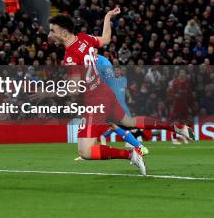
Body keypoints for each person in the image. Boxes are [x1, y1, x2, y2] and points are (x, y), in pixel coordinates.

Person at [47, 9, 193, 175]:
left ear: (64, 32)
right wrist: (107, 18)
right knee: (129, 122)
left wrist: (48, 92)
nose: (49, 34)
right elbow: (106, 39)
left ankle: (130, 154)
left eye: (52, 30)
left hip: (94, 102)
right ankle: (175, 127)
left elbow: (73, 89)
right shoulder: (84, 38)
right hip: (104, 92)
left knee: (85, 151)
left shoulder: (70, 57)